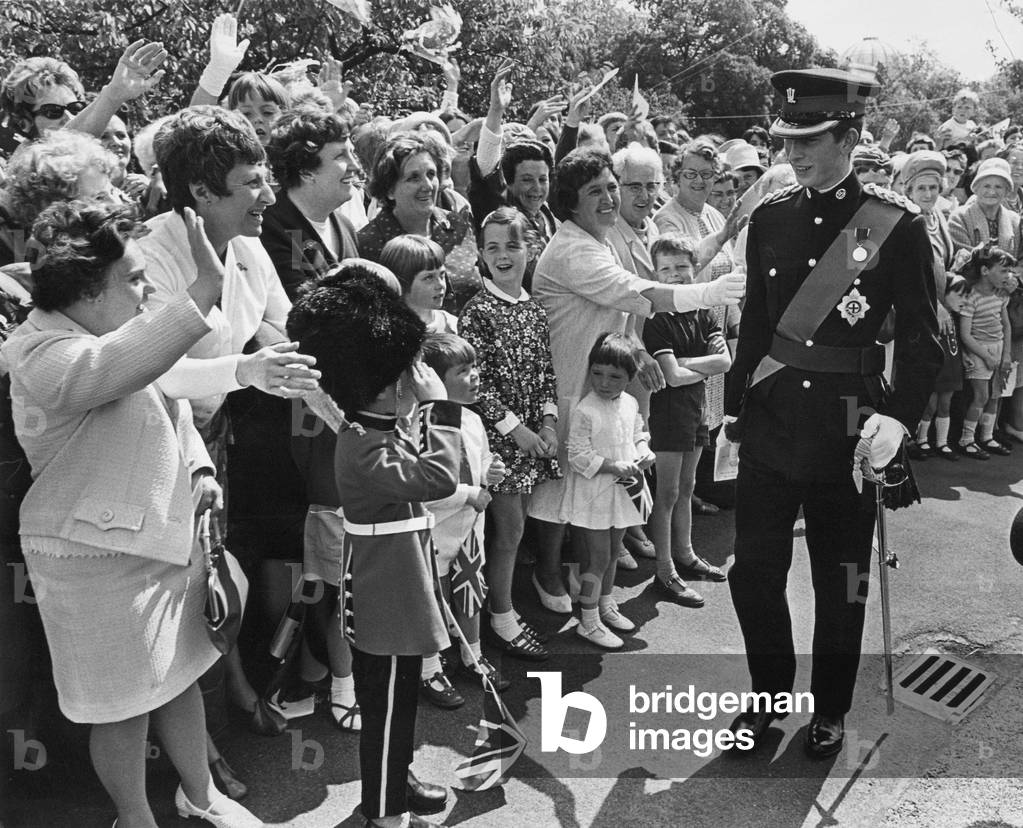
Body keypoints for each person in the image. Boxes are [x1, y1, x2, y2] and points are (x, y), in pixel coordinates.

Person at [1, 199, 261, 828]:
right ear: (88, 289)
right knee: (121, 711)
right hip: (91, 564)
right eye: (135, 278)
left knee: (180, 679)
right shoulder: (40, 352)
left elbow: (166, 394)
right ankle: (135, 820)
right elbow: (116, 370)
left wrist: (199, 469)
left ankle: (201, 797)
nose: (147, 291)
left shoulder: (109, 336)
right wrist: (201, 290)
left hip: (164, 544)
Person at [722, 68, 942, 758]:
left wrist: (899, 418)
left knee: (839, 579)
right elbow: (755, 327)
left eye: (809, 139)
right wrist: (733, 411)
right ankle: (766, 696)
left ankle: (831, 709)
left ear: (849, 136)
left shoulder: (892, 225)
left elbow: (922, 337)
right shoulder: (769, 218)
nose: (792, 153)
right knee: (752, 571)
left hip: (849, 432)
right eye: (785, 139)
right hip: (771, 423)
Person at [138, 105, 320, 737]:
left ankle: (229, 696)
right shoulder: (147, 258)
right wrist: (245, 373)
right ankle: (200, 749)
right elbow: (154, 375)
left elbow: (280, 325)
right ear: (200, 191)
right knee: (185, 591)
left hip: (218, 438)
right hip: (156, 449)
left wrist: (336, 382)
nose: (268, 193)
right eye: (252, 182)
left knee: (217, 576)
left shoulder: (247, 244)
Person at [527, 146, 744, 611]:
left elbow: (623, 311)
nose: (609, 198)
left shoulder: (599, 239)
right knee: (558, 493)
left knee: (588, 494)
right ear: (570, 201)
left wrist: (638, 351)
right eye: (596, 191)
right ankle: (547, 576)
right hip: (566, 388)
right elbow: (638, 292)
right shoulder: (572, 249)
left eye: (610, 187)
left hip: (598, 386)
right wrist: (708, 291)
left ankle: (591, 598)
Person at [289, 275, 457, 828]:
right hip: (386, 598)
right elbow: (438, 476)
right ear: (383, 385)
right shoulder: (365, 445)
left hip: (398, 589)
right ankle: (384, 812)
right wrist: (442, 407)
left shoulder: (377, 427)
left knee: (399, 705)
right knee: (386, 712)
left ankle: (396, 781)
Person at [458, 208, 561, 650]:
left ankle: (500, 609)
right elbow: (474, 385)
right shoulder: (477, 311)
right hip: (494, 443)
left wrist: (549, 422)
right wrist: (517, 430)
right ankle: (499, 615)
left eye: (513, 246)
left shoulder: (534, 310)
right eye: (493, 248)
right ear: (481, 255)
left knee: (516, 530)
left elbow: (546, 374)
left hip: (531, 439)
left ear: (529, 250)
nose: (504, 256)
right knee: (507, 529)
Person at [418, 332, 509, 708]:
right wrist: (471, 493)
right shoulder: (422, 424)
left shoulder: (472, 419)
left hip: (470, 529)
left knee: (471, 592)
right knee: (431, 599)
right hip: (436, 531)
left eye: (474, 368)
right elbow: (423, 487)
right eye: (463, 371)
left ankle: (472, 653)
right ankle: (429, 668)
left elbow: (481, 460)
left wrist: (491, 472)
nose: (474, 377)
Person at [644, 234, 730, 607]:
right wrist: (692, 366)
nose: (675, 275)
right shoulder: (657, 319)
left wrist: (684, 363)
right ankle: (664, 570)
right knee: (666, 493)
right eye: (666, 269)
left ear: (695, 269)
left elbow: (724, 363)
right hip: (667, 415)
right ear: (655, 272)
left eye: (682, 267)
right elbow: (671, 378)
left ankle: (685, 553)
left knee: (687, 485)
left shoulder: (704, 313)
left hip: (696, 410)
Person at [564, 333, 654, 649]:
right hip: (594, 496)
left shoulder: (629, 402)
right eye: (597, 373)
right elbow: (577, 455)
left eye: (615, 376)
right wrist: (613, 466)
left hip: (623, 494)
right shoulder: (585, 410)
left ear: (630, 378)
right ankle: (588, 621)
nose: (604, 382)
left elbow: (638, 431)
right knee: (596, 559)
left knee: (614, 551)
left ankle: (605, 603)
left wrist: (643, 449)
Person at [358, 132, 481, 313]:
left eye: (431, 174)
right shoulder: (368, 243)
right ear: (390, 189)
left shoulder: (459, 225)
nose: (428, 185)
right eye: (414, 178)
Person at [261, 107, 362, 297]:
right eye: (340, 156)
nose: (355, 166)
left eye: (352, 153)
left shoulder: (345, 227)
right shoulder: (271, 229)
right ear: (306, 172)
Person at [901, 151, 962, 461]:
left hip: (940, 310)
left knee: (937, 381)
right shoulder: (905, 219)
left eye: (933, 188)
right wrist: (933, 305)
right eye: (921, 188)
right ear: (908, 190)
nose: (928, 194)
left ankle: (927, 438)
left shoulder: (939, 218)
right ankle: (907, 439)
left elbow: (939, 265)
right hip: (913, 313)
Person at [0, 129, 117, 266]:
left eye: (113, 192)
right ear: (54, 209)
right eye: (98, 198)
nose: (115, 204)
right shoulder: (28, 266)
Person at [956, 242, 1016, 458]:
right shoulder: (971, 298)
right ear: (985, 270)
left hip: (999, 349)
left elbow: (1006, 325)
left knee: (995, 396)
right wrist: (986, 356)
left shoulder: (1000, 296)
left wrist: (1006, 354)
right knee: (981, 396)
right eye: (1003, 270)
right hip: (979, 350)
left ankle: (987, 436)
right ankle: (967, 439)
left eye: (1009, 271)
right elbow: (965, 334)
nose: (1007, 275)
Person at [0, 56, 85, 149]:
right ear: (24, 123)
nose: (70, 118)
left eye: (75, 108)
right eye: (53, 111)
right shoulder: (26, 162)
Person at [380, 235, 458, 333]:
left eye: (442, 275)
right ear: (402, 282)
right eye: (429, 277)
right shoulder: (386, 331)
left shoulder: (453, 326)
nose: (440, 285)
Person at [949, 157, 1021, 253]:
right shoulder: (959, 217)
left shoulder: (1014, 221)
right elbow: (966, 258)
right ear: (976, 188)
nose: (992, 192)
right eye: (986, 186)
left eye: (998, 187)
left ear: (1006, 191)